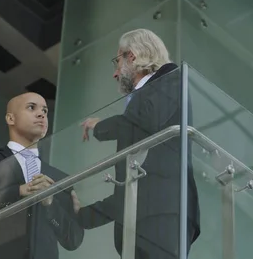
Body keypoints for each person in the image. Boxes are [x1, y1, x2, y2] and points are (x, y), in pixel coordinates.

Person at [79, 29, 201, 259]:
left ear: (132, 56)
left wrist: (100, 126)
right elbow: (129, 187)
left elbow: (146, 121)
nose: (115, 74)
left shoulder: (171, 76)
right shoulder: (144, 103)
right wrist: (82, 215)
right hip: (143, 216)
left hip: (163, 213)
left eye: (117, 61)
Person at [0, 92, 84, 259]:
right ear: (10, 119)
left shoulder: (59, 177)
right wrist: (18, 191)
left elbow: (73, 239)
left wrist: (50, 204)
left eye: (45, 110)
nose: (41, 114)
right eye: (31, 107)